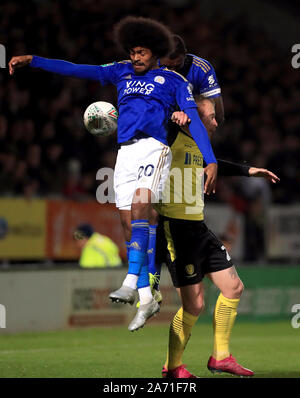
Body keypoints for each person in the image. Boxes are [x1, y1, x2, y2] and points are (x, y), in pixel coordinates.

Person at [9, 16, 218, 332]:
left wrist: (210, 159)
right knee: (127, 221)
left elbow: (195, 120)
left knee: (140, 207)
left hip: (154, 148)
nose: (135, 58)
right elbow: (78, 69)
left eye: (142, 53)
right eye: (133, 52)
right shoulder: (120, 71)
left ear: (156, 54)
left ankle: (130, 280)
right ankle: (147, 298)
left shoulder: (174, 82)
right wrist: (34, 60)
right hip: (126, 153)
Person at [154, 98, 279, 378]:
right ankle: (172, 367)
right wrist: (169, 116)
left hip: (198, 228)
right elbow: (150, 124)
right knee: (194, 305)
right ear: (192, 118)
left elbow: (216, 164)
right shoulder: (169, 139)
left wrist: (249, 171)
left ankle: (221, 357)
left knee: (233, 287)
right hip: (175, 228)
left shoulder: (200, 147)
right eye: (210, 117)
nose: (215, 121)